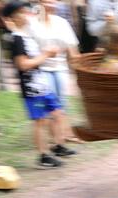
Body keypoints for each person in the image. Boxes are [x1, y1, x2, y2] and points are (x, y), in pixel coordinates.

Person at [3, 0, 76, 168]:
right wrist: (45, 55)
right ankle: (43, 156)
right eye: (22, 12)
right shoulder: (16, 39)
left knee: (57, 113)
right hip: (31, 87)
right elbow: (23, 65)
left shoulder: (28, 35)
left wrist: (46, 54)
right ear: (13, 18)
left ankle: (58, 146)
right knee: (40, 121)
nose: (27, 15)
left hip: (41, 83)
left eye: (26, 11)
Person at [28, 0, 84, 143]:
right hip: (42, 67)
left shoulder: (61, 22)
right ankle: (57, 137)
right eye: (47, 1)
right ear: (39, 2)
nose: (52, 3)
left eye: (54, 1)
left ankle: (65, 134)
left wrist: (79, 66)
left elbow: (72, 46)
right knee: (50, 103)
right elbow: (28, 46)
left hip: (60, 67)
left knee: (62, 101)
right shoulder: (31, 22)